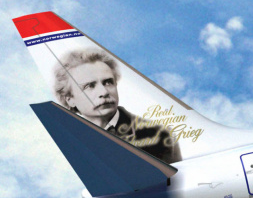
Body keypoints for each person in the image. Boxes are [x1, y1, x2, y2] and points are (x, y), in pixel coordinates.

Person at [52, 48, 181, 163]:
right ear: (69, 100)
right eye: (89, 86)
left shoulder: (158, 135)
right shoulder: (70, 142)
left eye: (108, 82)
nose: (104, 92)